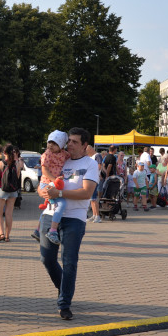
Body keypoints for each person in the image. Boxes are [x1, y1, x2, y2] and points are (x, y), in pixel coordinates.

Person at [37, 127, 98, 321]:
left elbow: (87, 192)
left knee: (69, 261)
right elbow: (43, 183)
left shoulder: (90, 164)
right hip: (50, 214)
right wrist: (44, 192)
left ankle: (64, 303)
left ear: (84, 145)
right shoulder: (59, 158)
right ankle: (64, 287)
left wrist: (60, 193)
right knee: (47, 259)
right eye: (68, 140)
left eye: (74, 142)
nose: (69, 144)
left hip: (75, 218)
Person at [36, 131, 70, 245]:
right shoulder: (47, 154)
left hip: (54, 183)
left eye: (54, 143)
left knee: (49, 206)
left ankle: (37, 230)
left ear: (61, 145)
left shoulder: (64, 154)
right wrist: (54, 180)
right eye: (49, 142)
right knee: (61, 204)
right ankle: (53, 230)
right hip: (47, 182)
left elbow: (74, 157)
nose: (50, 145)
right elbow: (44, 170)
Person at [0, 145, 24, 243]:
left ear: (4, 153)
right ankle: (7, 236)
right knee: (9, 213)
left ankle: (1, 234)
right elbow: (18, 177)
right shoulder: (17, 163)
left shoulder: (0, 163)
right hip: (13, 191)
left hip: (2, 190)